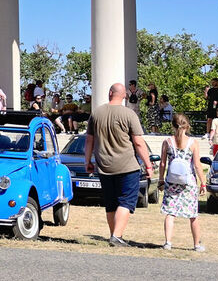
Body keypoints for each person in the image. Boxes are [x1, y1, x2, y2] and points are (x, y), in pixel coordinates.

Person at [85, 82, 150, 247]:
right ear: (125, 96)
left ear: (109, 93)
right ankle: (117, 236)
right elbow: (139, 143)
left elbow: (89, 140)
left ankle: (114, 235)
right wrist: (148, 164)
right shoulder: (129, 114)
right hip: (127, 166)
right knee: (126, 201)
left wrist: (87, 161)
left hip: (104, 166)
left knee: (111, 202)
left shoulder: (96, 113)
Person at [159, 112, 205, 252]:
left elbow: (162, 163)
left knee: (170, 212)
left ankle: (168, 242)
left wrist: (161, 179)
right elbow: (197, 165)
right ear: (187, 126)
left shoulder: (167, 142)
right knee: (193, 215)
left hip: (171, 181)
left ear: (173, 125)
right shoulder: (193, 143)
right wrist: (203, 183)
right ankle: (196, 244)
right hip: (188, 182)